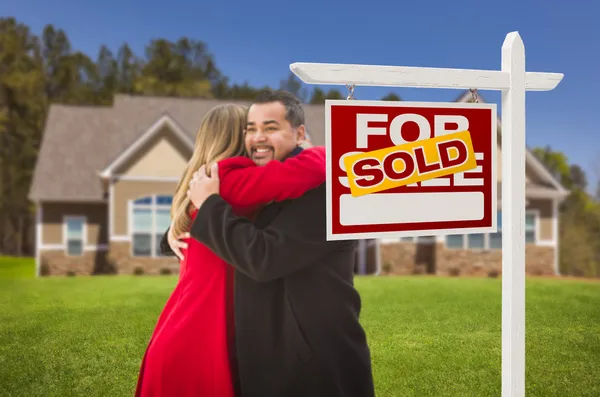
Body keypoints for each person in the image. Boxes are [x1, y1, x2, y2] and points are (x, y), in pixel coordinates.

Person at [166, 89, 375, 397]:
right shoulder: (256, 184)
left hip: (314, 365)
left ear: (299, 134)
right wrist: (178, 224)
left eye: (270, 128)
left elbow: (264, 257)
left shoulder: (323, 193)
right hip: (255, 355)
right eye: (251, 130)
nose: (258, 139)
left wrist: (206, 207)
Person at [134, 102, 328, 397]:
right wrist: (314, 147)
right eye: (252, 130)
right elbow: (305, 172)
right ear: (240, 138)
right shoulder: (231, 180)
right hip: (198, 342)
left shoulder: (203, 182)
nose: (259, 138)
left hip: (179, 330)